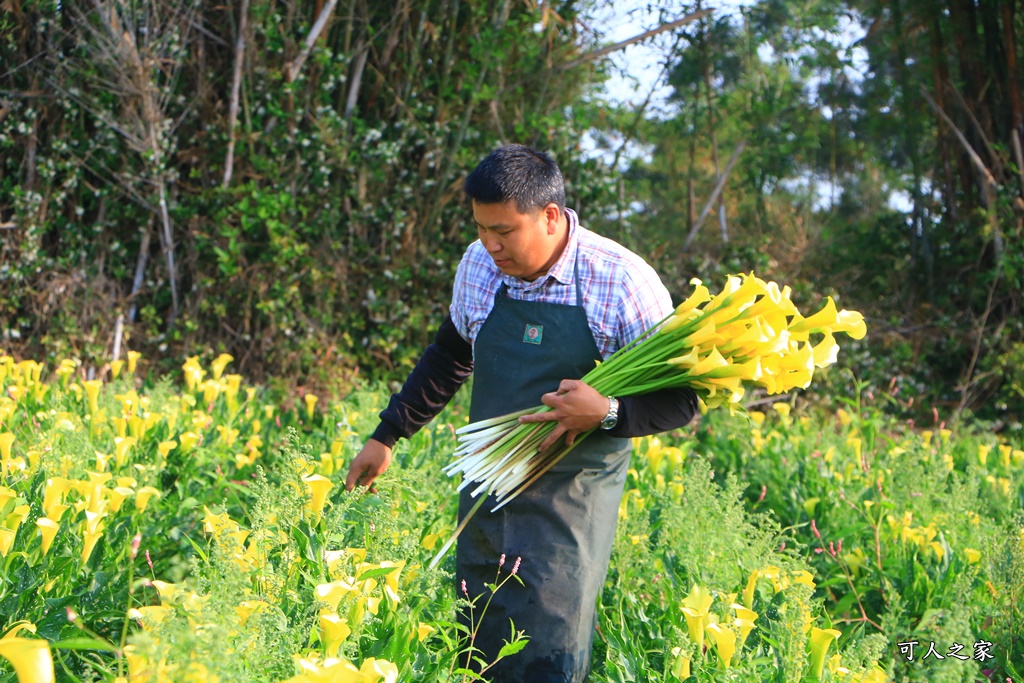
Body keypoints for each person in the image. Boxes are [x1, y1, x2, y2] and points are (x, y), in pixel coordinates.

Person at [346, 144, 697, 682]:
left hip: (568, 501)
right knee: (477, 642)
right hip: (487, 488)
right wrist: (388, 434)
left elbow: (681, 398)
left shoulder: (621, 280)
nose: (490, 245)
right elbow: (450, 355)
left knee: (549, 652)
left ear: (551, 217)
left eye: (504, 231)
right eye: (482, 228)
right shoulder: (478, 266)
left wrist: (606, 411)